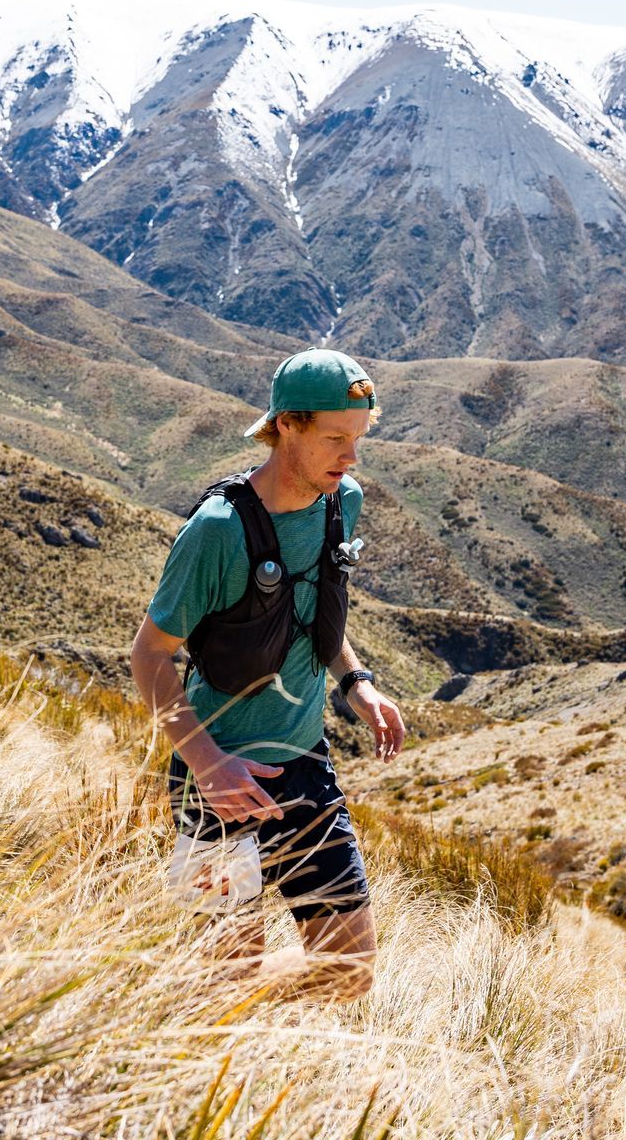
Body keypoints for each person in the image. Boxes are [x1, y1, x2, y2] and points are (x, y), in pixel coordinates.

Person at [129, 347, 405, 1002]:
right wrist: (208, 764)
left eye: (358, 438)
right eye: (336, 438)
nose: (351, 456)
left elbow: (312, 616)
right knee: (225, 982)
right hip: (213, 786)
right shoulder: (217, 532)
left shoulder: (342, 503)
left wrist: (356, 682)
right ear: (287, 425)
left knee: (348, 975)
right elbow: (148, 656)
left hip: (304, 766)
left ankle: (232, 1006)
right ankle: (183, 1006)